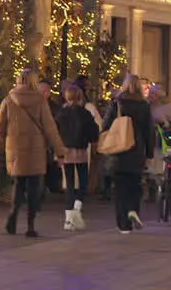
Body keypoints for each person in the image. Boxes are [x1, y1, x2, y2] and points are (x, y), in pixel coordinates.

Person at [0, 68, 66, 238]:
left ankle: (12, 217)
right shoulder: (40, 101)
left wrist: (8, 139)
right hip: (36, 151)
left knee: (18, 184)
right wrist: (60, 151)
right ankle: (30, 225)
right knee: (34, 188)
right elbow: (50, 128)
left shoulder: (8, 100)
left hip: (16, 150)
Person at [103, 74, 155, 233]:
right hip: (137, 150)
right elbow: (149, 131)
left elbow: (105, 125)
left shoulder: (117, 104)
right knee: (135, 183)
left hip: (119, 149)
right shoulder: (144, 105)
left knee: (120, 188)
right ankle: (133, 210)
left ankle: (123, 224)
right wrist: (149, 153)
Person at [55, 83, 100, 231]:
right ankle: (77, 207)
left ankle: (68, 219)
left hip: (65, 151)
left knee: (69, 183)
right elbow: (94, 132)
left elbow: (56, 132)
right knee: (83, 181)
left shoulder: (61, 114)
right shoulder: (85, 113)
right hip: (80, 150)